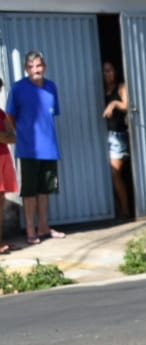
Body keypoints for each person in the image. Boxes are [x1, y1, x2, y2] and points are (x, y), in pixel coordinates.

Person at [7, 50, 64, 244]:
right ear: (26, 69)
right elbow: (10, 116)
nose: (35, 70)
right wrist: (21, 134)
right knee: (29, 191)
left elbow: (51, 114)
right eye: (31, 67)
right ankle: (31, 230)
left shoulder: (51, 87)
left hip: (49, 148)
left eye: (38, 66)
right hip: (27, 149)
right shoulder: (17, 89)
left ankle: (44, 227)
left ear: (44, 67)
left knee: (44, 190)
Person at [102, 60, 131, 220]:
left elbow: (127, 105)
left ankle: (126, 211)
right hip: (104, 136)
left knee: (115, 173)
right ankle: (117, 211)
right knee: (107, 175)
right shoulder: (101, 89)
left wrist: (114, 103)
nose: (108, 74)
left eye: (110, 70)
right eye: (105, 71)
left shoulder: (121, 87)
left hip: (118, 136)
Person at [0, 81, 19, 255]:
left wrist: (4, 136)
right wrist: (4, 136)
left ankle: (0, 240)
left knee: (1, 200)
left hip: (3, 159)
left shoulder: (1, 114)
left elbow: (13, 137)